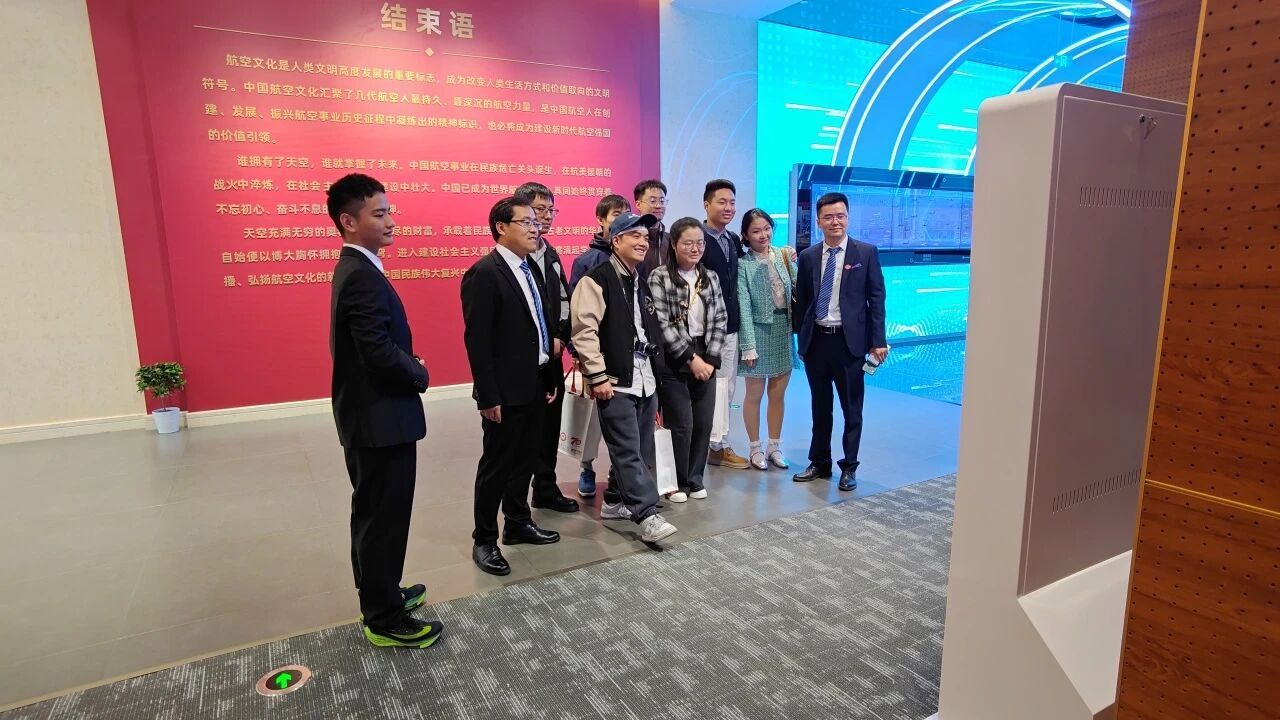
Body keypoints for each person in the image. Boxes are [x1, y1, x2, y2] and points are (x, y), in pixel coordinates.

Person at [327, 173, 442, 649]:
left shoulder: (358, 267)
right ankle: (383, 617)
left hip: (373, 417)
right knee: (383, 518)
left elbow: (372, 345)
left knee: (375, 513)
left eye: (389, 211)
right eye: (379, 213)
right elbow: (376, 351)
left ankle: (381, 593)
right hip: (379, 420)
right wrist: (418, 371)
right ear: (348, 221)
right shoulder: (360, 275)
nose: (391, 221)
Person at [461, 196, 563, 576]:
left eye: (537, 222)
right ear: (501, 227)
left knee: (526, 458)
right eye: (527, 222)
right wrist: (488, 395)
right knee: (497, 465)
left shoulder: (529, 267)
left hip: (535, 381)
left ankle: (518, 523)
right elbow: (478, 341)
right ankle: (484, 540)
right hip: (504, 390)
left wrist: (549, 375)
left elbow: (540, 326)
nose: (536, 228)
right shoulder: (484, 273)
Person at [570, 211, 678, 543]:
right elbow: (584, 331)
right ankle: (645, 514)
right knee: (627, 448)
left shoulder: (638, 278)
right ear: (616, 241)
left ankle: (615, 501)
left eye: (646, 237)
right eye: (635, 236)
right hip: (615, 379)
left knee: (640, 448)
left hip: (645, 377)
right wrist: (598, 375)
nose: (643, 242)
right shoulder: (596, 279)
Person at [792, 192, 889, 491]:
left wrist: (878, 340)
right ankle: (819, 461)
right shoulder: (808, 256)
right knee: (820, 407)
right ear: (818, 221)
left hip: (850, 345)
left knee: (851, 409)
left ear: (847, 218)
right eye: (828, 217)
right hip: (817, 342)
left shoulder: (865, 253)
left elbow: (876, 299)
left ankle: (849, 467)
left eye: (840, 216)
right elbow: (803, 302)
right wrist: (802, 340)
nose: (835, 221)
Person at [648, 217, 728, 502]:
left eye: (700, 243)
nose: (695, 249)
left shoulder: (710, 277)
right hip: (675, 358)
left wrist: (711, 359)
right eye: (688, 243)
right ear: (674, 244)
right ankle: (677, 482)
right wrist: (691, 358)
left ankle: (695, 479)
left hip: (706, 354)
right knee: (681, 425)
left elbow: (720, 318)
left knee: (704, 423)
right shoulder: (659, 277)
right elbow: (662, 324)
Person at [513, 182, 578, 514]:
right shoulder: (512, 260)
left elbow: (564, 300)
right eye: (540, 210)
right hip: (525, 363)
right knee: (524, 434)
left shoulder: (549, 253)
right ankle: (516, 509)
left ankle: (545, 488)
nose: (548, 216)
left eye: (551, 210)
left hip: (552, 357)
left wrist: (562, 338)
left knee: (550, 427)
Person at [571, 193, 630, 499]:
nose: (622, 219)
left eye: (626, 214)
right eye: (615, 214)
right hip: (596, 357)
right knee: (591, 419)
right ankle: (587, 467)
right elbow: (577, 315)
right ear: (601, 220)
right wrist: (579, 355)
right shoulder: (587, 261)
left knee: (623, 422)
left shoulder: (634, 260)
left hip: (626, 358)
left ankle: (617, 474)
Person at [736, 208, 796, 471]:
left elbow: (798, 287)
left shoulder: (783, 255)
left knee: (778, 394)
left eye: (766, 228)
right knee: (754, 394)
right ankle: (755, 447)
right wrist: (748, 346)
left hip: (783, 329)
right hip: (757, 332)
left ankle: (774, 446)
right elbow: (744, 306)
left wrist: (794, 260)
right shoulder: (743, 264)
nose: (763, 235)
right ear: (746, 235)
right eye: (756, 231)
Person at [699, 179, 750, 469]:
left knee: (726, 388)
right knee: (706, 389)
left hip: (730, 328)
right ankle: (704, 445)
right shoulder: (697, 239)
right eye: (722, 202)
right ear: (706, 205)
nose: (728, 207)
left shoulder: (731, 239)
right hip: (703, 330)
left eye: (732, 202)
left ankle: (718, 445)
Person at [634, 179, 669, 274]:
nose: (658, 206)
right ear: (638, 204)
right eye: (653, 201)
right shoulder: (630, 238)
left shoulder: (671, 240)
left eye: (662, 201)